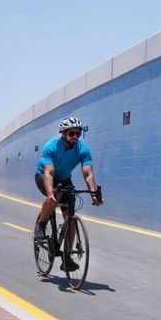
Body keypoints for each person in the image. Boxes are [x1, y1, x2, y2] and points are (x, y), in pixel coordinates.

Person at [34, 116, 102, 270]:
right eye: (72, 133)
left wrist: (94, 194)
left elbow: (88, 174)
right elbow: (49, 173)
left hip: (64, 179)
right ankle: (41, 224)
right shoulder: (51, 147)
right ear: (63, 133)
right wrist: (50, 194)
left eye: (78, 133)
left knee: (70, 218)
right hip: (44, 176)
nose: (75, 137)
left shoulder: (83, 149)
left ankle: (66, 257)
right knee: (54, 197)